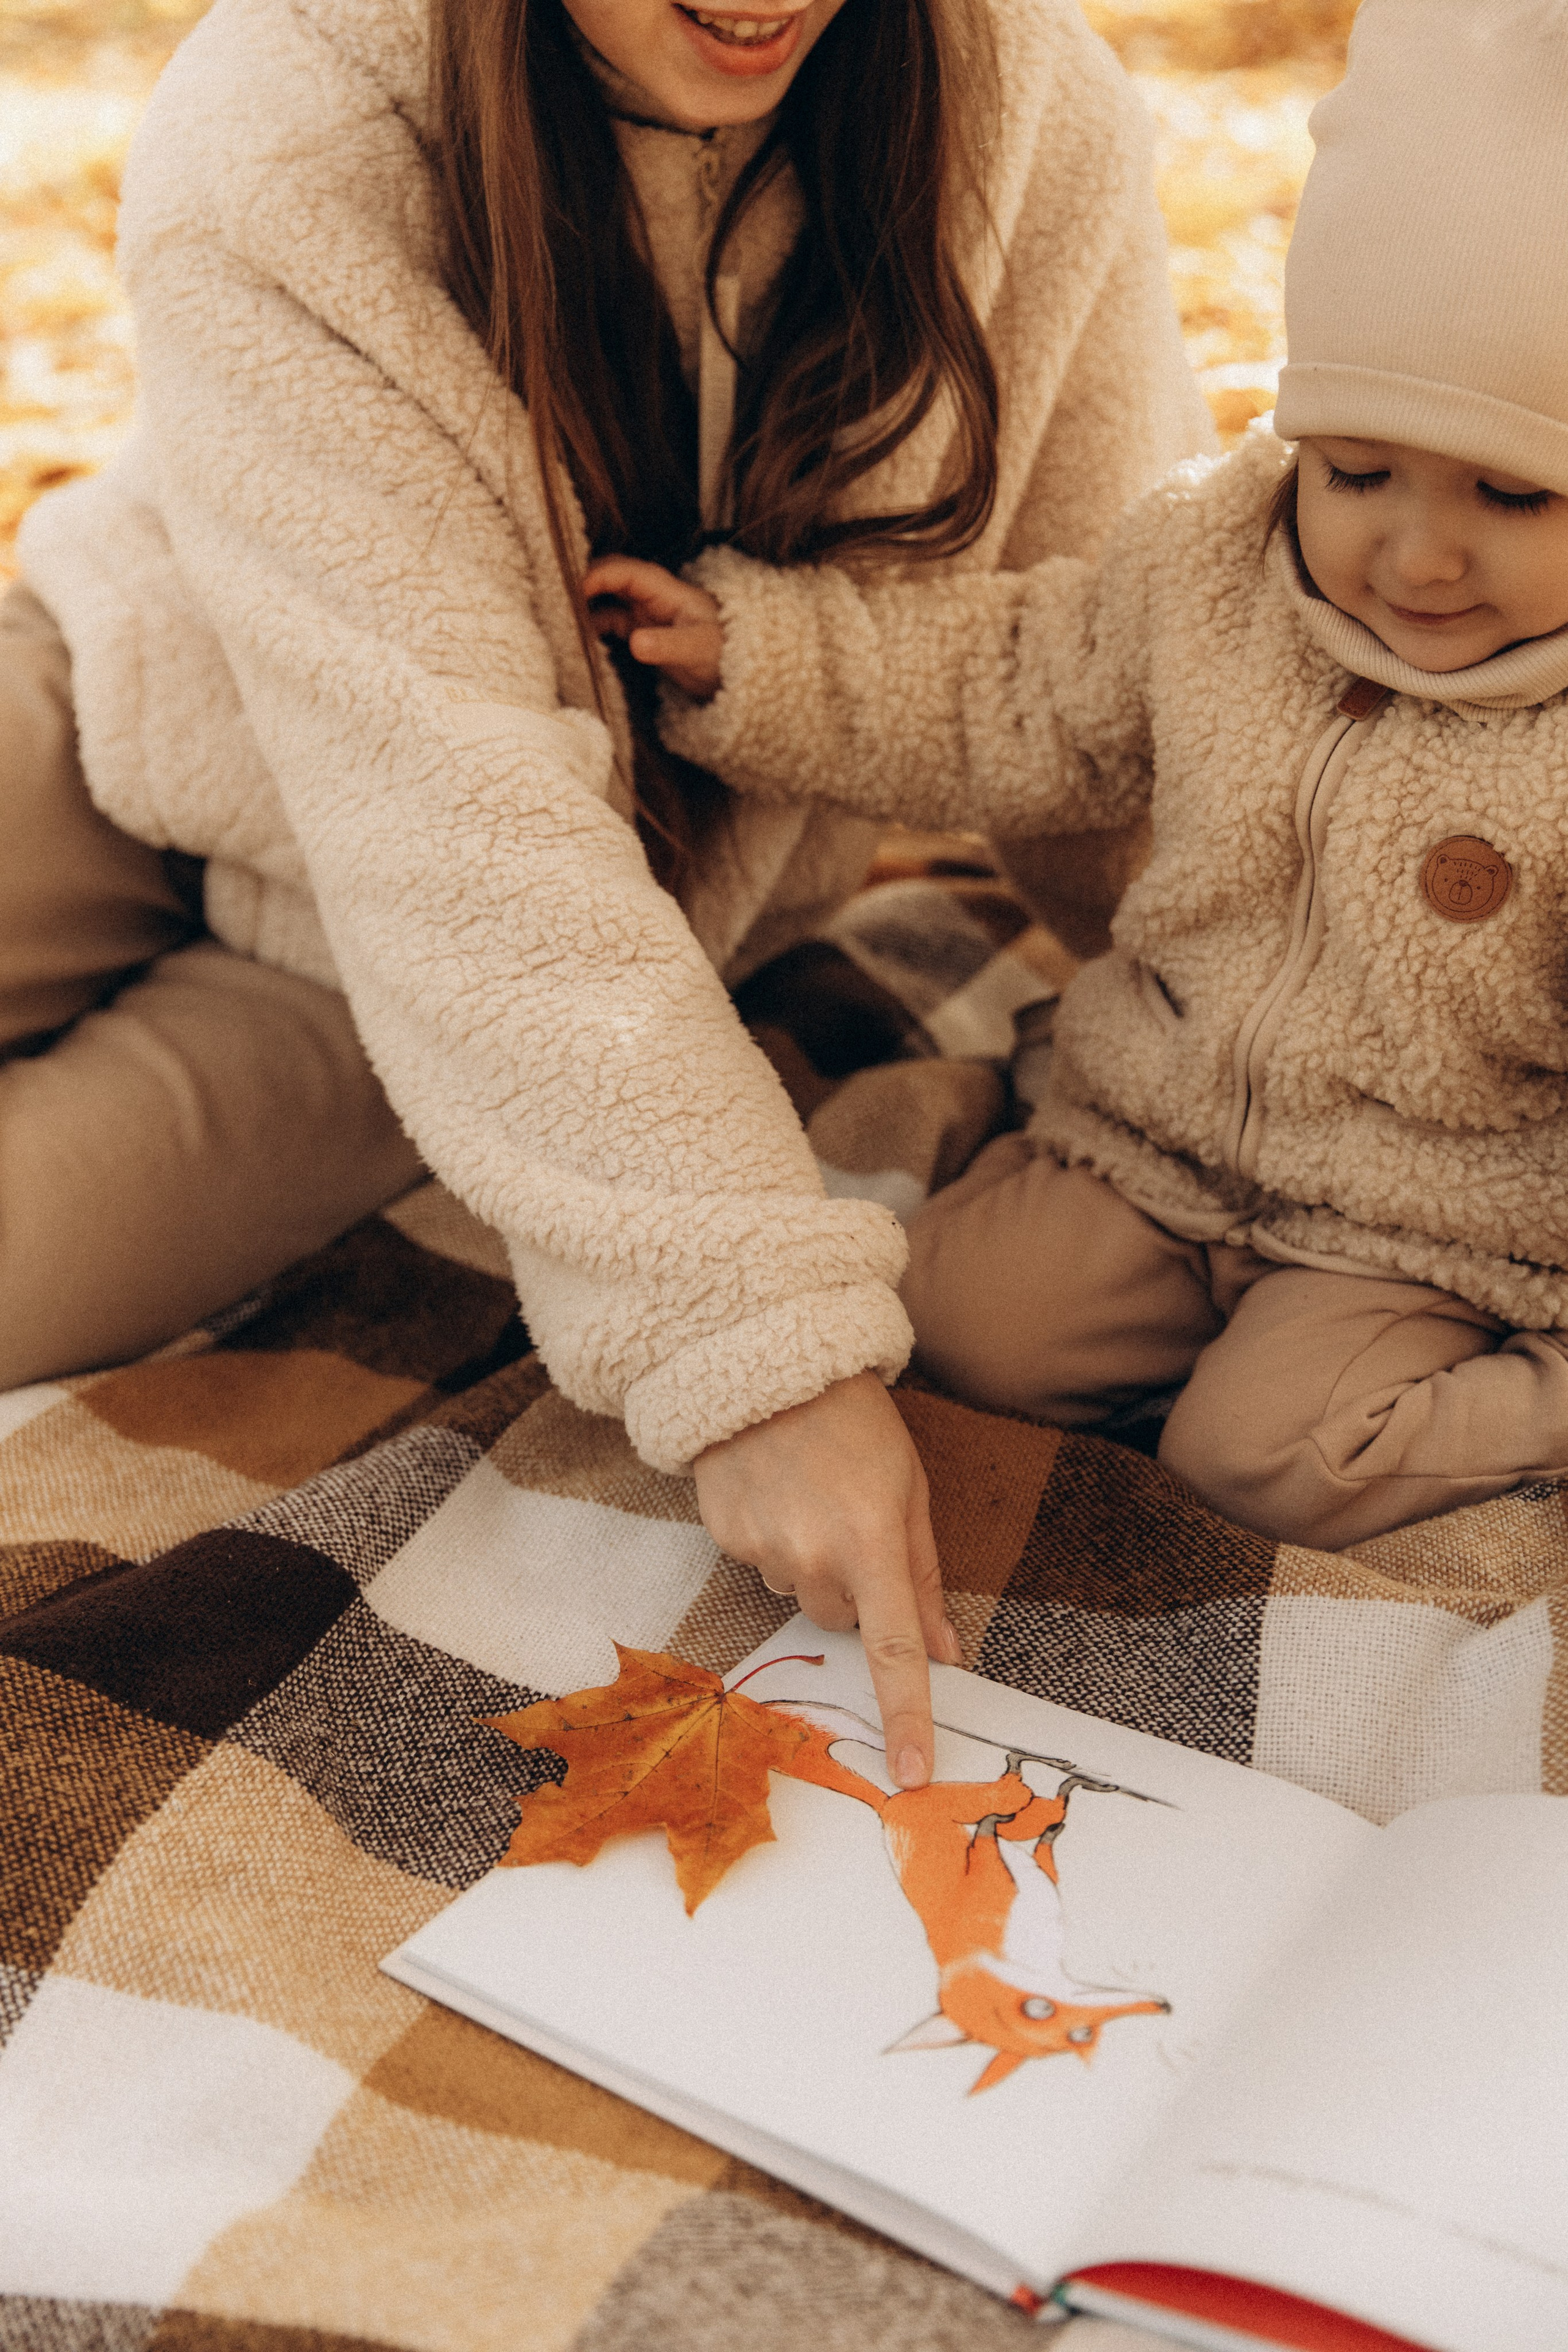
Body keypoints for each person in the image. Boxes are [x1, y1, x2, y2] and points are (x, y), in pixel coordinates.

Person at [1, 0, 1210, 1773]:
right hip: (145, 699)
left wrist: (1275, 1042)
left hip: (416, 967)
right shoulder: (296, 103)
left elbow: (1097, 668)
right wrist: (756, 1345)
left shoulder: (1026, 109)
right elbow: (439, 767)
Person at [594, 0, 1568, 1551]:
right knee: (956, 1329)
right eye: (1355, 470)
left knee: (1264, 1460)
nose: (1415, 555)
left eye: (1509, 497)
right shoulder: (1212, 567)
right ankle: (1169, 1311)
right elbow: (1008, 682)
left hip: (1422, 1221)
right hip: (1157, 1138)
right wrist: (756, 660)